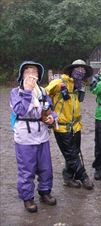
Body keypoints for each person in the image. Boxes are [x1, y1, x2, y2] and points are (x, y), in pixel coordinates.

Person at [10, 61, 57, 213]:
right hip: (24, 138)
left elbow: (50, 110)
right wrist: (28, 92)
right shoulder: (16, 92)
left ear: (39, 76)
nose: (31, 74)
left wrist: (52, 118)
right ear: (22, 75)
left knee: (46, 167)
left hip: (42, 135)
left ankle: (45, 192)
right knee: (27, 169)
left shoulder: (43, 92)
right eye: (27, 71)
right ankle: (27, 197)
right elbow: (20, 110)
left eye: (35, 71)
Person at [45, 59, 94, 190]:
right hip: (61, 126)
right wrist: (48, 111)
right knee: (71, 154)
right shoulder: (59, 82)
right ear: (71, 70)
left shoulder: (79, 86)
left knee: (73, 153)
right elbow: (43, 94)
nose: (80, 71)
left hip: (76, 126)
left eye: (83, 69)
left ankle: (68, 177)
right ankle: (83, 177)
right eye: (78, 68)